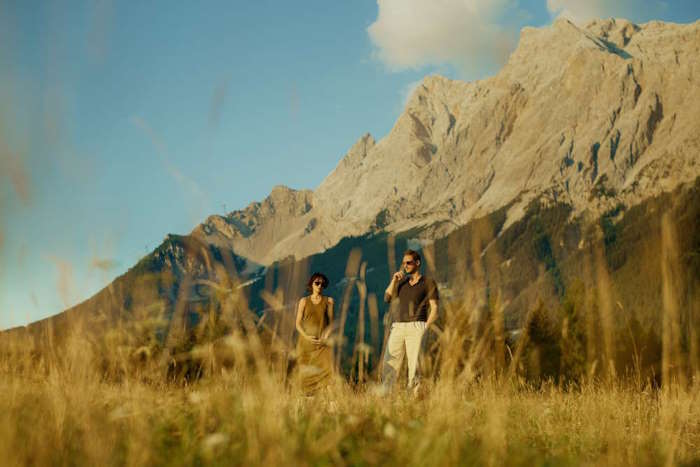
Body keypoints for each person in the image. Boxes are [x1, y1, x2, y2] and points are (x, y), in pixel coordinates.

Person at [381, 249, 439, 394]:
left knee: (416, 365)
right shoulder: (402, 283)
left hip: (417, 325)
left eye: (408, 262)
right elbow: (387, 298)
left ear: (417, 263)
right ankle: (386, 396)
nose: (405, 266)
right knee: (390, 361)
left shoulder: (428, 282)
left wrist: (425, 327)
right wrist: (394, 280)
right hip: (398, 326)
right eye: (403, 263)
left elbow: (435, 308)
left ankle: (414, 398)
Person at [295, 272, 335, 396]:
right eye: (317, 283)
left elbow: (332, 323)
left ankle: (332, 403)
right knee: (306, 374)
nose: (319, 286)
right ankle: (306, 402)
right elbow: (298, 323)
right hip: (305, 344)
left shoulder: (329, 301)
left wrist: (325, 337)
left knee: (328, 373)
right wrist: (306, 337)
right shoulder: (303, 301)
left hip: (323, 345)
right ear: (311, 284)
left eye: (322, 284)